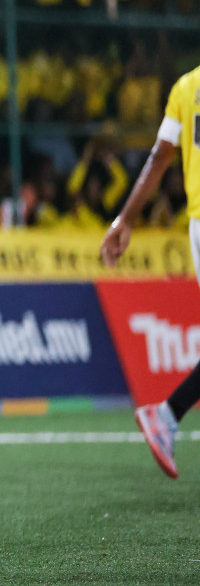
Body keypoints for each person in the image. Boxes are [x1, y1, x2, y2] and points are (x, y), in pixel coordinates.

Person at [102, 66, 200, 479]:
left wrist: (125, 218)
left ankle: (167, 414)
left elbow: (160, 157)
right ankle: (167, 414)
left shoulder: (186, 85)